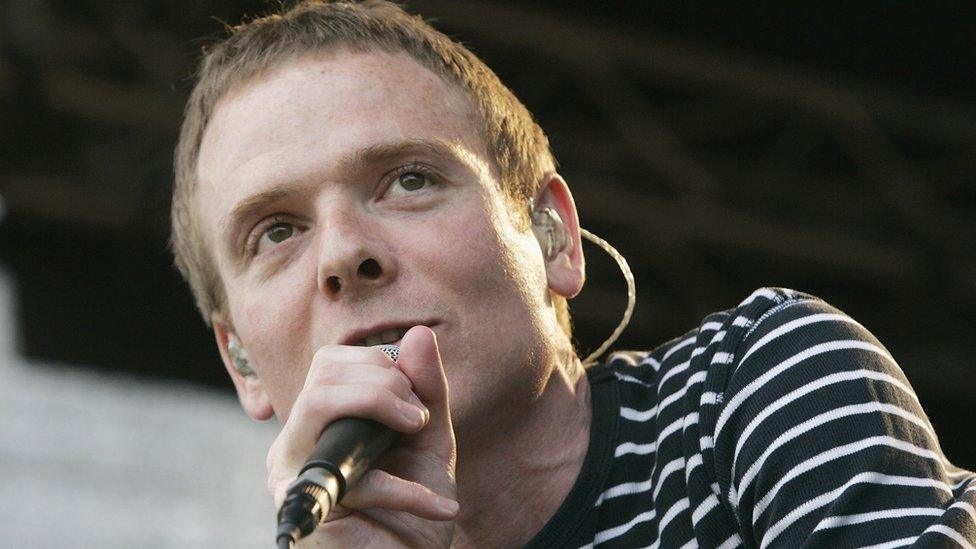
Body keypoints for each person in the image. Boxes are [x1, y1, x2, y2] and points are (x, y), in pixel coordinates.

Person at [170, 1, 976, 546]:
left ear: (551, 233)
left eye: (409, 179)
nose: (345, 251)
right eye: (276, 230)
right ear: (240, 358)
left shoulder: (754, 380)